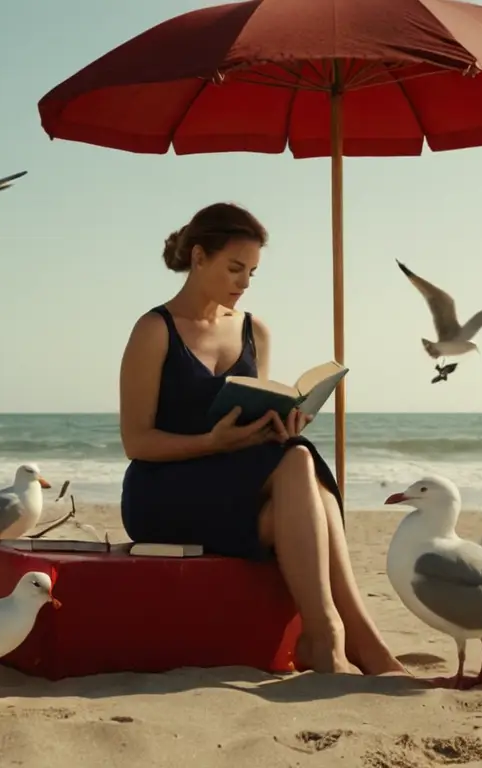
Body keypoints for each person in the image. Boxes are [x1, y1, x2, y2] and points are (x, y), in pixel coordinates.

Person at [118, 201, 406, 677]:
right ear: (197, 258)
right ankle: (340, 638)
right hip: (162, 493)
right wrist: (214, 442)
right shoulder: (154, 330)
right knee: (300, 467)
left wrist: (279, 425)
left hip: (233, 487)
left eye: (252, 272)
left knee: (297, 462)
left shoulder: (255, 332)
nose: (244, 283)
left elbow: (258, 413)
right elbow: (136, 442)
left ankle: (338, 637)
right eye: (234, 268)